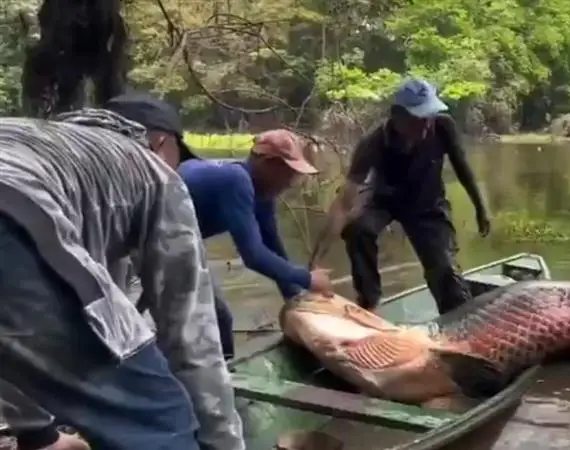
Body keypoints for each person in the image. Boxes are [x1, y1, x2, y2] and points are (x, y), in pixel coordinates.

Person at [0, 94, 243, 450]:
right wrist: (223, 442)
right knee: (160, 418)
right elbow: (192, 336)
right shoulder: (154, 171)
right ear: (162, 144)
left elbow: (14, 332)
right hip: (10, 211)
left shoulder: (47, 146)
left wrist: (40, 434)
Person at [318, 78, 491, 314]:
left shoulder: (443, 127)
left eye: (429, 116)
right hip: (383, 200)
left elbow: (463, 168)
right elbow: (343, 203)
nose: (426, 125)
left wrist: (480, 207)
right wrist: (316, 262)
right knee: (357, 229)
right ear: (397, 116)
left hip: (427, 204)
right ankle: (369, 301)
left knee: (444, 269)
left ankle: (456, 317)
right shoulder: (373, 143)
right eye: (418, 119)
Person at [177, 128, 334, 358]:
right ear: (268, 163)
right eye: (288, 171)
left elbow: (271, 244)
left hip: (184, 241)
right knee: (218, 318)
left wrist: (296, 297)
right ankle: (227, 379)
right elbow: (253, 255)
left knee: (211, 316)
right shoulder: (236, 181)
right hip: (158, 237)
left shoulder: (261, 192)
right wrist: (307, 278)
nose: (291, 181)